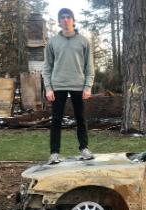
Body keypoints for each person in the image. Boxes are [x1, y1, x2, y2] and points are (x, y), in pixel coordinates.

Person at [43, 8, 95, 164]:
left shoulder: (84, 41)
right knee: (56, 120)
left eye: (68, 17)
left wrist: (88, 86)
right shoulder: (52, 42)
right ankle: (54, 153)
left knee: (81, 118)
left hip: (78, 85)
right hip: (57, 85)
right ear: (59, 21)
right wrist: (48, 88)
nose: (66, 20)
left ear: (73, 20)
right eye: (62, 18)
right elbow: (47, 67)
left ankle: (84, 149)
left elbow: (89, 67)